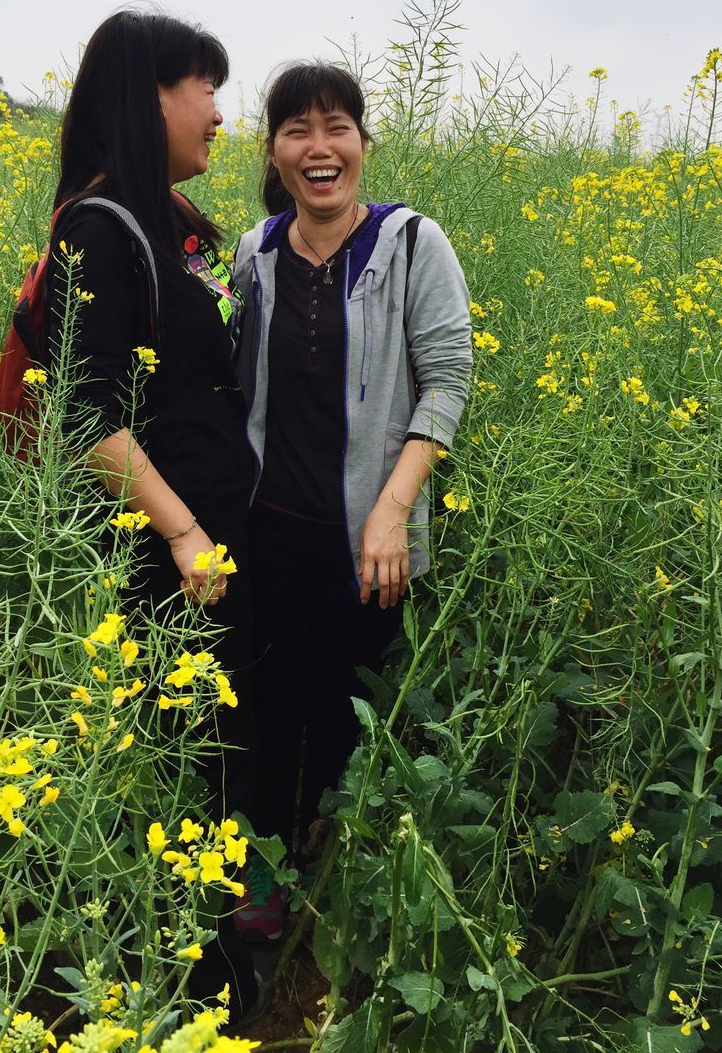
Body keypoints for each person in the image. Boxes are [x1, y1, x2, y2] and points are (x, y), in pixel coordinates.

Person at [46, 10, 263, 1016]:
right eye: (204, 86)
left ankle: (198, 968)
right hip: (156, 563)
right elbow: (86, 412)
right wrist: (180, 529)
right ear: (150, 98)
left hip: (201, 551)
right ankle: (171, 982)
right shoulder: (100, 227)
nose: (220, 111)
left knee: (205, 757)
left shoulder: (163, 221)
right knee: (172, 762)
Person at [232, 61, 472, 937]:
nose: (318, 147)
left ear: (363, 143)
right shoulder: (254, 252)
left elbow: (448, 380)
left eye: (336, 126)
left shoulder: (412, 244)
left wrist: (393, 508)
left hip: (371, 538)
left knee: (345, 709)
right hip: (267, 533)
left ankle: (331, 870)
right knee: (266, 711)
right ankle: (263, 879)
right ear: (276, 151)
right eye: (297, 129)